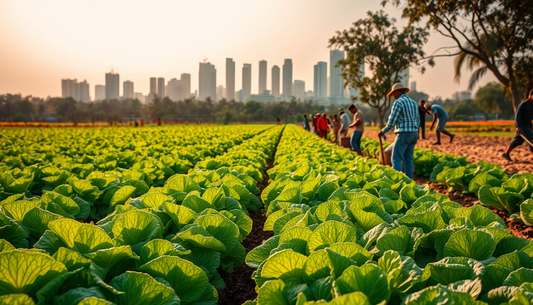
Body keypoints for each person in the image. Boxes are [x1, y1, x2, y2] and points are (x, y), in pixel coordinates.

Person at [377, 83, 420, 179]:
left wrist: (383, 131)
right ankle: (409, 180)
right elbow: (418, 120)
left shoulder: (398, 102)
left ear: (397, 92)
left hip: (403, 134)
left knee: (395, 157)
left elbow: (392, 121)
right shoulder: (413, 103)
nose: (393, 96)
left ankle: (398, 181)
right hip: (414, 133)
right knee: (408, 159)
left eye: (393, 94)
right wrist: (415, 130)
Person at [502, 89, 533, 161]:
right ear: (530, 96)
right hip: (522, 126)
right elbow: (517, 116)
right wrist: (518, 126)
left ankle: (506, 153)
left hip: (528, 125)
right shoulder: (524, 105)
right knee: (532, 139)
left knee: (518, 141)